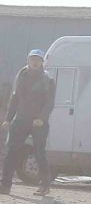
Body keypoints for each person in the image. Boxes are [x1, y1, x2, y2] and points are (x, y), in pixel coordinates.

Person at [1, 49, 56, 196]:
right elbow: (14, 99)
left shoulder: (48, 79)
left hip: (38, 122)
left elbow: (50, 103)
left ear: (42, 62)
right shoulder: (22, 76)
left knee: (39, 152)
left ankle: (44, 185)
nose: (35, 62)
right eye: (32, 59)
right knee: (11, 151)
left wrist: (42, 118)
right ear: (28, 61)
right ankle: (5, 185)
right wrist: (8, 119)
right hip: (21, 118)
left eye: (38, 60)